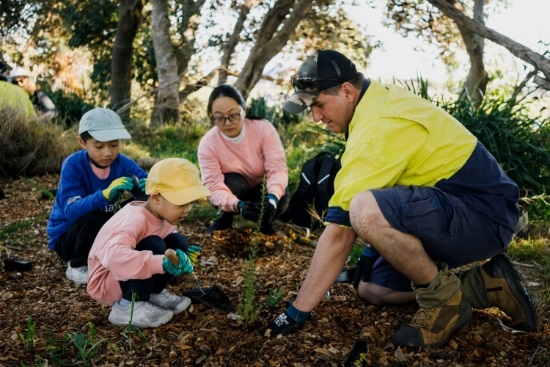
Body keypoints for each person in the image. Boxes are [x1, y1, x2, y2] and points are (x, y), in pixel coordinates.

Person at [261, 50, 537, 348]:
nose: (315, 117)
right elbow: (392, 180)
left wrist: (296, 311)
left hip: (484, 215)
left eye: (318, 104)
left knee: (363, 210)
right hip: (457, 208)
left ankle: (445, 303)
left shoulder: (378, 124)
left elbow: (343, 231)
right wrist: (370, 254)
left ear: (347, 91)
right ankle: (485, 285)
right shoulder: (375, 100)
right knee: (374, 289)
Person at [87, 158, 211, 328]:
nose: (187, 209)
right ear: (155, 198)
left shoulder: (165, 215)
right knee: (154, 245)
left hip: (124, 275)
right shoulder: (134, 219)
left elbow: (169, 244)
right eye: (181, 202)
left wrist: (180, 257)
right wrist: (161, 263)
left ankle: (152, 293)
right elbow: (114, 257)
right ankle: (126, 306)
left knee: (178, 241)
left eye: (190, 202)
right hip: (107, 279)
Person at [47, 107, 148, 285]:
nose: (108, 153)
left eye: (114, 145)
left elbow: (146, 181)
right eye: (99, 146)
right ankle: (77, 265)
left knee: (141, 206)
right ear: (82, 142)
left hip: (103, 230)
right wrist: (105, 195)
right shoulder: (73, 165)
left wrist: (147, 188)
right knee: (95, 214)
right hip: (69, 239)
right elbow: (71, 212)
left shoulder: (121, 162)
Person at [197, 84, 289, 235]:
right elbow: (213, 185)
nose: (227, 123)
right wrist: (237, 205)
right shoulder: (208, 143)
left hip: (261, 189)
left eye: (233, 115)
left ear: (243, 109)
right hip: (234, 191)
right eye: (219, 118)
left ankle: (266, 222)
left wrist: (271, 198)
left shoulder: (263, 129)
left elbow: (277, 169)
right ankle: (224, 218)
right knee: (234, 181)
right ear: (212, 117)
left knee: (282, 195)